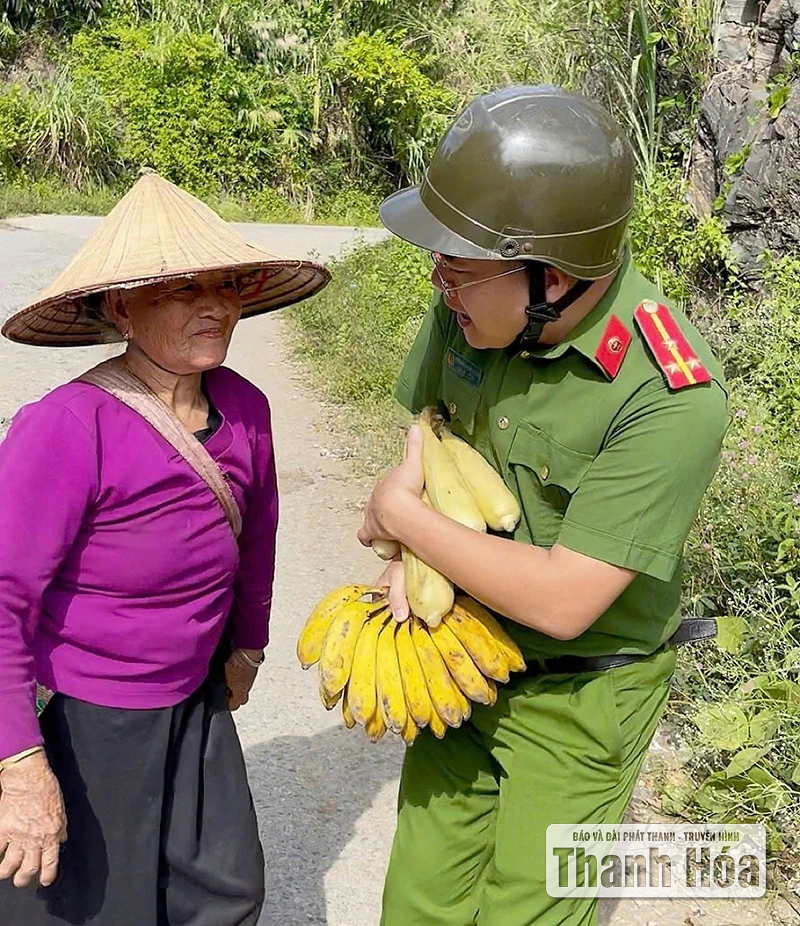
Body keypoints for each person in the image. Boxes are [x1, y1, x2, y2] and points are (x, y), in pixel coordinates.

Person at [357, 86, 729, 925]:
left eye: (457, 267)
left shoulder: (670, 397)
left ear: (551, 278)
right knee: (417, 907)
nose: (438, 283)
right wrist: (408, 552)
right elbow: (429, 429)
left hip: (580, 697)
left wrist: (403, 518)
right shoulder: (474, 303)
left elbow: (565, 601)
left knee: (529, 915)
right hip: (461, 655)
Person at [0, 169, 329, 925]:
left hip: (196, 701)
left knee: (223, 892)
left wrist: (247, 648)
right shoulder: (68, 425)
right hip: (90, 718)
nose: (214, 305)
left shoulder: (245, 406)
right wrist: (21, 767)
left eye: (227, 285)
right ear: (121, 304)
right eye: (183, 288)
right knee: (99, 906)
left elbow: (260, 536)